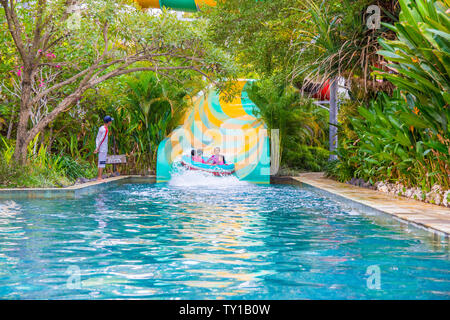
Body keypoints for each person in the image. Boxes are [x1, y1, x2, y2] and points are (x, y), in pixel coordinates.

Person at [94, 116, 113, 181]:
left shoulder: (101, 128)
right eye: (111, 121)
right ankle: (99, 177)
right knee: (102, 162)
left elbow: (97, 138)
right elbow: (102, 139)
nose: (111, 122)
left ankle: (99, 177)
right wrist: (97, 148)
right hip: (103, 148)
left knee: (100, 162)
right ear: (109, 122)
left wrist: (97, 146)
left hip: (100, 148)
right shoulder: (105, 130)